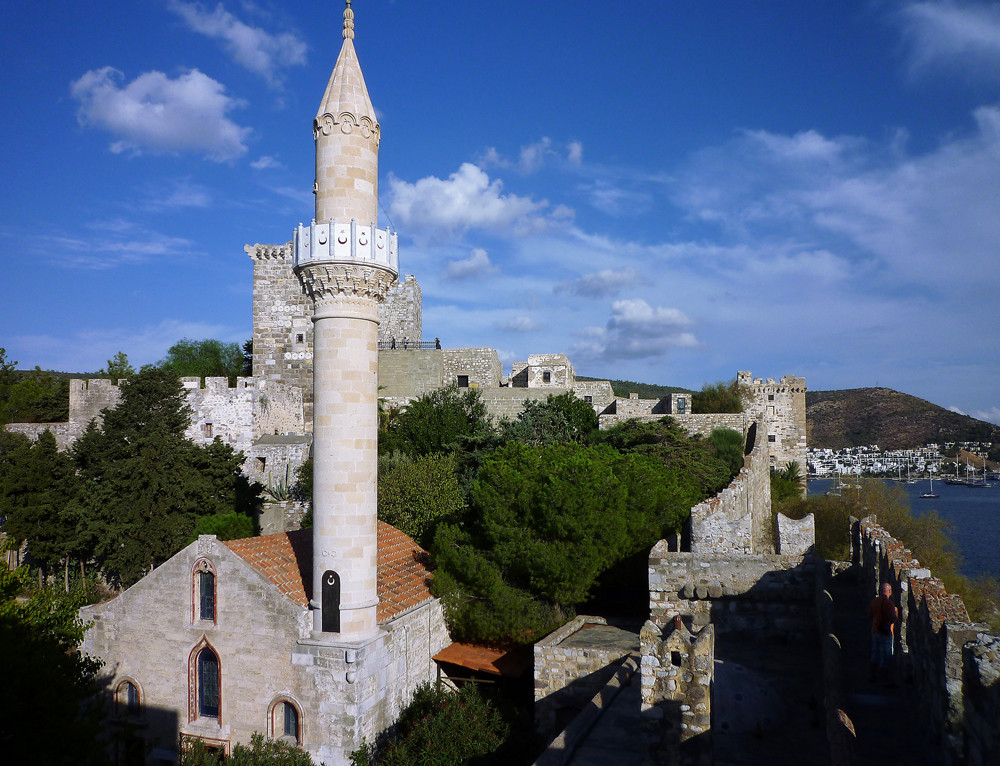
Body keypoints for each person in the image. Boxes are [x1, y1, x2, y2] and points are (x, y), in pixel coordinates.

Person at [869, 582, 898, 685]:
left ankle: (873, 676)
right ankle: (886, 680)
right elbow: (892, 619)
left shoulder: (874, 601)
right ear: (890, 591)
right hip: (886, 633)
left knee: (875, 653)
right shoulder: (889, 604)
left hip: (875, 630)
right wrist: (896, 613)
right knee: (886, 656)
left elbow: (870, 615)